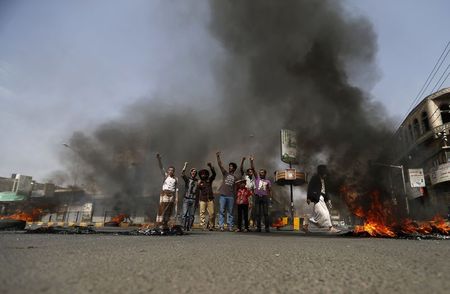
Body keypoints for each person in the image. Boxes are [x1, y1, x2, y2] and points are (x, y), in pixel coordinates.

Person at [306, 165, 340, 233]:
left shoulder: (325, 180)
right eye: (324, 172)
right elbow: (310, 188)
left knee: (321, 214)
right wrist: (308, 198)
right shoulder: (315, 178)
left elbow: (326, 191)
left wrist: (328, 200)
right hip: (317, 198)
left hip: (322, 198)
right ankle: (331, 228)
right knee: (323, 213)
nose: (325, 174)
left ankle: (305, 225)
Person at [216, 151, 241, 231]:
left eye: (231, 166)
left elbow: (236, 188)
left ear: (234, 168)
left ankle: (230, 226)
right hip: (223, 195)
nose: (229, 167)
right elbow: (220, 165)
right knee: (222, 211)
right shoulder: (225, 174)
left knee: (230, 212)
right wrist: (218, 157)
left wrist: (236, 197)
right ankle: (221, 226)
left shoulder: (235, 178)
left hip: (231, 196)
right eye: (229, 166)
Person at [155, 153, 178, 230]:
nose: (171, 171)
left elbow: (176, 189)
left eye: (172, 170)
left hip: (171, 194)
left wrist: (176, 198)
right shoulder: (165, 176)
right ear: (168, 171)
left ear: (173, 171)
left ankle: (165, 223)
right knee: (162, 208)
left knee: (169, 209)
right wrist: (159, 159)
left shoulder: (175, 179)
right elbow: (161, 167)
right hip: (164, 193)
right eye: (169, 170)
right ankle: (159, 223)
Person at [250, 156, 272, 232]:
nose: (260, 174)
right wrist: (251, 161)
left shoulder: (268, 181)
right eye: (260, 173)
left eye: (262, 173)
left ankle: (267, 228)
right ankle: (258, 227)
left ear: (265, 174)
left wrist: (270, 198)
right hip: (257, 197)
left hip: (265, 197)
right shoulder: (257, 178)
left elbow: (269, 190)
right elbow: (253, 169)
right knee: (258, 213)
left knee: (266, 213)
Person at [197, 163, 216, 230]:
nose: (203, 175)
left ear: (207, 175)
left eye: (204, 174)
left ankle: (211, 226)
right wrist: (198, 184)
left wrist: (211, 167)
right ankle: (203, 226)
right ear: (200, 175)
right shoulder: (199, 182)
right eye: (202, 174)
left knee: (212, 213)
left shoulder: (209, 180)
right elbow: (197, 190)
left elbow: (214, 174)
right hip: (202, 199)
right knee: (202, 213)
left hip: (210, 199)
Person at [181, 162, 198, 231]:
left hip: (193, 199)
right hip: (186, 199)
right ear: (190, 173)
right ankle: (183, 226)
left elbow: (198, 191)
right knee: (185, 214)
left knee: (191, 215)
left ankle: (189, 227)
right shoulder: (187, 179)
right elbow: (182, 174)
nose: (193, 172)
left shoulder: (197, 181)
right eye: (192, 171)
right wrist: (185, 165)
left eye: (195, 172)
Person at [240, 157, 255, 228]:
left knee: (250, 209)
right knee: (243, 209)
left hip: (250, 195)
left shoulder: (253, 180)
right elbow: (241, 169)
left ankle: (246, 223)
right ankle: (242, 224)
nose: (251, 173)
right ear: (247, 173)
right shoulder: (245, 177)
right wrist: (243, 161)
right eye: (249, 172)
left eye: (251, 172)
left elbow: (253, 189)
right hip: (244, 194)